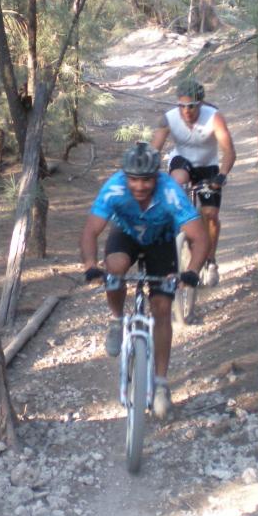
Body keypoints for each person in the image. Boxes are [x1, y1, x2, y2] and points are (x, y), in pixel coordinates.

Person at [81, 141, 210, 418]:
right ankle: (117, 320)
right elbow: (91, 231)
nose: (140, 186)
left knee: (162, 309)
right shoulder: (114, 188)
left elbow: (200, 236)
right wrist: (91, 265)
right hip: (125, 235)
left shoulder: (170, 192)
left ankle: (161, 384)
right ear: (125, 176)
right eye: (134, 180)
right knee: (115, 267)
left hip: (161, 241)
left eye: (147, 180)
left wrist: (192, 271)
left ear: (157, 177)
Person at [151, 77, 235, 286]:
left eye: (191, 106)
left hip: (208, 167)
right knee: (176, 181)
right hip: (182, 162)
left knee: (210, 214)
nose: (186, 111)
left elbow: (229, 151)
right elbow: (154, 150)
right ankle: (177, 234)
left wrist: (222, 175)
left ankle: (211, 261)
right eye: (182, 106)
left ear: (201, 104)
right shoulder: (169, 119)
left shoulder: (214, 117)